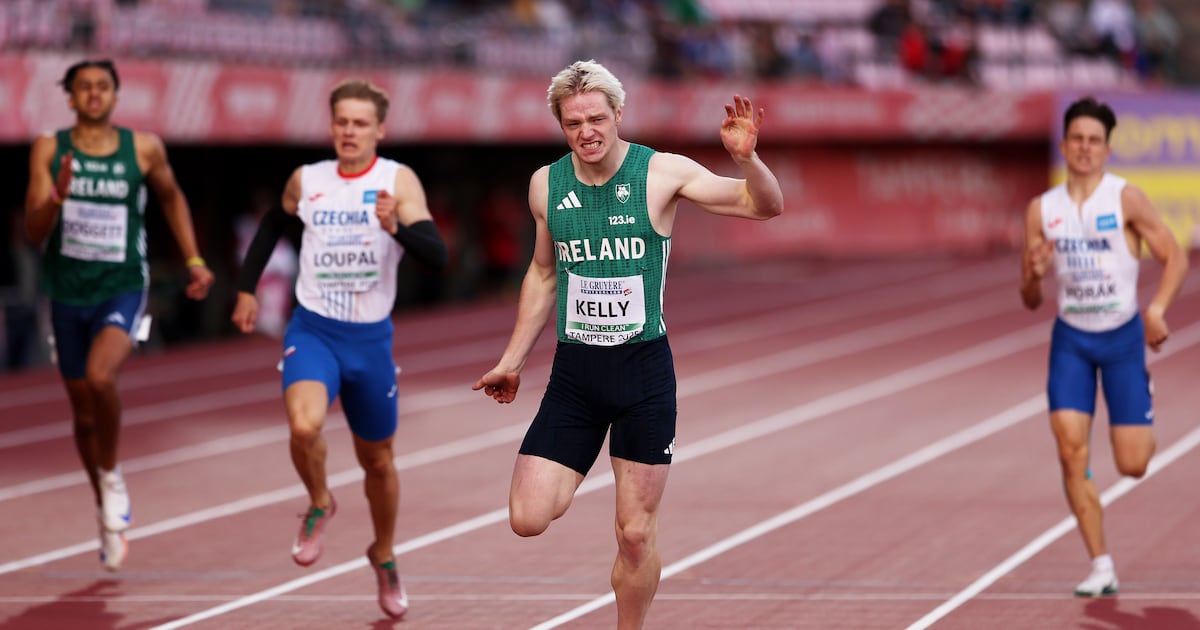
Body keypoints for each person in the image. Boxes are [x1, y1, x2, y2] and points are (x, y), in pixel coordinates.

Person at [473, 60, 784, 629]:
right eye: (573, 123)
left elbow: (764, 205)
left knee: (635, 534)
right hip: (575, 377)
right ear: (561, 125)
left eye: (596, 118)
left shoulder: (661, 173)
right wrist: (511, 361)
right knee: (527, 516)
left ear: (618, 113)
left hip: (643, 375)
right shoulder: (546, 184)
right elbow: (543, 273)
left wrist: (747, 160)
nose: (586, 132)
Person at [231, 78, 447, 620]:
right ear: (331, 126)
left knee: (378, 461)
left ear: (380, 129)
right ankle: (320, 500)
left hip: (370, 341)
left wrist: (395, 226)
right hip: (314, 330)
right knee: (304, 426)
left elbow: (437, 256)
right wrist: (245, 288)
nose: (350, 131)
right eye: (342, 122)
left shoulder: (397, 180)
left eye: (360, 123)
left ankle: (384, 553)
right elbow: (271, 225)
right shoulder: (307, 179)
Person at [23, 58, 214, 572]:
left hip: (123, 285)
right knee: (83, 414)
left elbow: (172, 198)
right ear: (70, 97)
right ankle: (102, 496)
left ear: (115, 95)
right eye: (84, 87)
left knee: (100, 378)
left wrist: (194, 259)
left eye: (102, 86)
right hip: (66, 291)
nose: (93, 94)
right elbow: (35, 231)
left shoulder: (144, 148)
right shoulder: (49, 148)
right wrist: (59, 194)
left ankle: (111, 477)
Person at [1020, 96, 1187, 597]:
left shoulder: (1125, 198)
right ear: (1064, 145)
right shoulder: (1041, 210)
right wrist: (1034, 272)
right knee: (1071, 452)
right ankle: (1101, 565)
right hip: (1071, 340)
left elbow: (1175, 256)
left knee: (1133, 464)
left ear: (1107, 149)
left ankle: (1141, 394)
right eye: (1077, 139)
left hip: (1122, 338)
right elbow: (1029, 299)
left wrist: (1156, 310)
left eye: (1094, 140)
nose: (1085, 148)